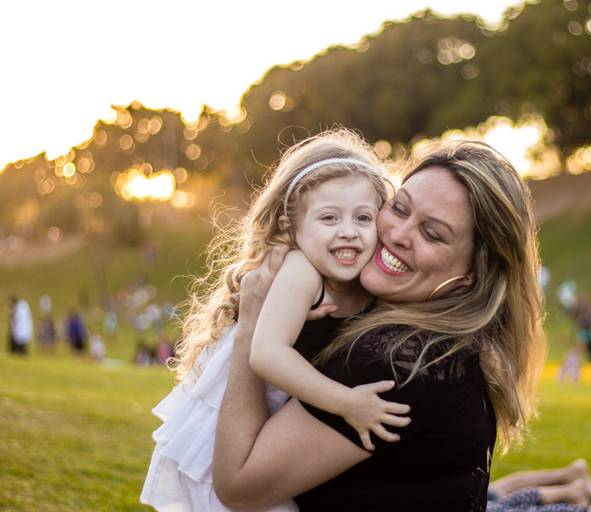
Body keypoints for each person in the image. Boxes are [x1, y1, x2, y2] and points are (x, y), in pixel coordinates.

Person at [212, 139, 548, 511]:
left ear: (473, 273)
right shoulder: (441, 339)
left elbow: (239, 487)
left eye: (432, 234)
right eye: (399, 208)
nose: (399, 234)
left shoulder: (399, 359)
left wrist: (251, 325)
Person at [140, 130, 400, 512]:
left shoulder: (351, 276)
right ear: (290, 227)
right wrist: (347, 404)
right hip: (229, 443)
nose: (348, 230)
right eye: (329, 217)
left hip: (267, 431)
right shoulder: (300, 270)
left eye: (363, 217)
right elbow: (266, 354)